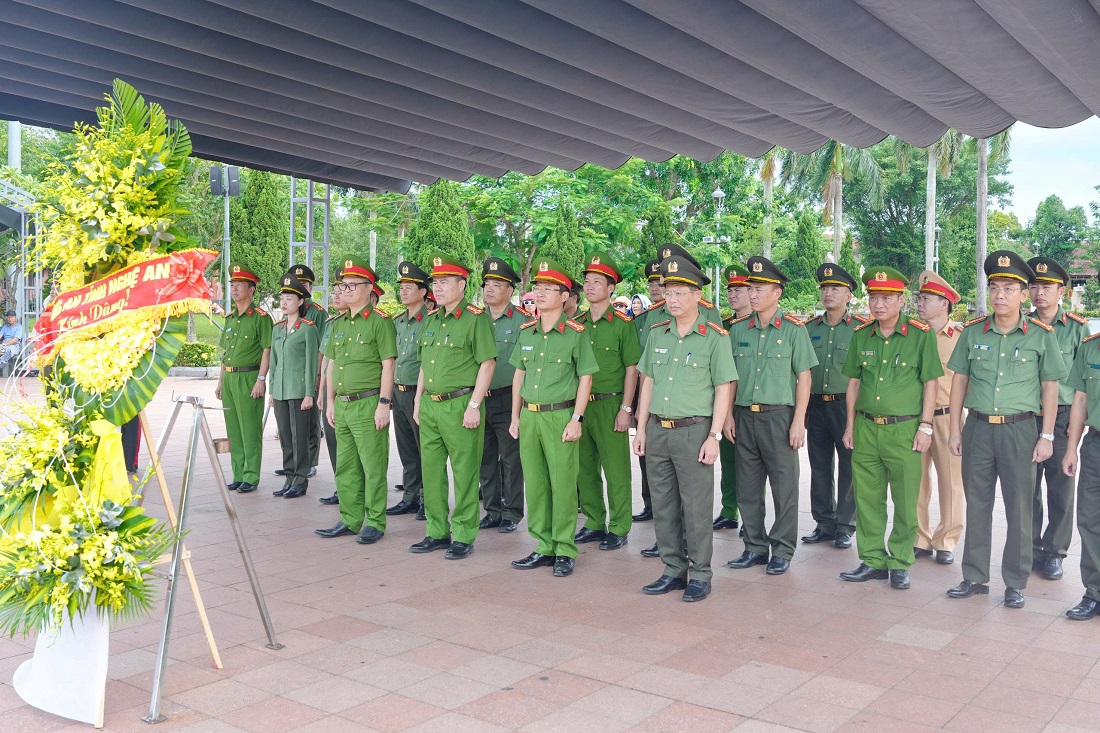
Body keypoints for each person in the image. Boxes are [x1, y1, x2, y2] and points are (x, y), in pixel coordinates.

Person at [946, 251, 1066, 609]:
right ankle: (974, 576)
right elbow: (959, 382)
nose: (1000, 295)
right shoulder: (972, 333)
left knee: (1019, 509)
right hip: (979, 429)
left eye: (1009, 288)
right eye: (994, 287)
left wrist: (1046, 437)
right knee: (977, 504)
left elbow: (1050, 389)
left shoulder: (1041, 336)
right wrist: (955, 429)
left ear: (1023, 293)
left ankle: (1015, 582)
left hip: (1020, 431)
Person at [634, 255, 737, 602]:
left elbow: (724, 387)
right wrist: (642, 427)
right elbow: (646, 381)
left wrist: (714, 435)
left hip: (694, 432)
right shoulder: (656, 333)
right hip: (657, 429)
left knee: (695, 507)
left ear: (697, 296)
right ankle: (672, 569)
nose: (672, 299)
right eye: (668, 292)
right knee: (663, 505)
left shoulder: (714, 337)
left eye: (680, 292)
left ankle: (701, 574)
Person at [839, 267, 941, 590]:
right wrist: (850, 425)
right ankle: (871, 559)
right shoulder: (861, 336)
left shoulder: (920, 336)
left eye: (886, 298)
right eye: (873, 297)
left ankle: (899, 561)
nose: (878, 304)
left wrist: (926, 426)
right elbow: (853, 384)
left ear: (901, 300)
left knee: (906, 498)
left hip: (905, 430)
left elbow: (931, 384)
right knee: (867, 498)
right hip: (867, 427)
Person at [725, 256, 816, 576]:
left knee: (784, 487)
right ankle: (754, 547)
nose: (752, 292)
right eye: (751, 287)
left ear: (777, 292)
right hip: (743, 417)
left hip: (779, 417)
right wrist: (727, 416)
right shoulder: (737, 331)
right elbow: (731, 378)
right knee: (747, 488)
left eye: (759, 287)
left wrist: (798, 421)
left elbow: (804, 378)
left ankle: (782, 549)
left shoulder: (793, 330)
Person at [509, 256, 598, 578]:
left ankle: (564, 548)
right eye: (538, 287)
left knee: (562, 485)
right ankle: (543, 545)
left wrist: (577, 418)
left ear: (565, 296)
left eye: (550, 288)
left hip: (560, 417)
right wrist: (515, 415)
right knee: (535, 483)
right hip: (530, 416)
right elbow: (519, 374)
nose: (542, 293)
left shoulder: (576, 333)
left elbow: (586, 377)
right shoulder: (527, 332)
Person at [411, 252, 497, 560]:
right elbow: (424, 364)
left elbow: (487, 363)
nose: (438, 287)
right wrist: (419, 400)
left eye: (445, 282)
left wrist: (474, 404)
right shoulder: (431, 319)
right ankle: (436, 531)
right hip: (431, 405)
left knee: (464, 472)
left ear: (462, 285)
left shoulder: (475, 318)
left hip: (461, 404)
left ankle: (462, 534)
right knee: (431, 471)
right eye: (435, 281)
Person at [315, 257, 397, 544]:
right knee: (346, 464)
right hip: (343, 404)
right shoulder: (337, 324)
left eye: (353, 285)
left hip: (368, 402)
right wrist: (330, 401)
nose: (346, 290)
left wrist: (384, 404)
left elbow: (389, 365)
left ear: (369, 288)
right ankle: (349, 518)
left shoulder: (380, 322)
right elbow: (331, 364)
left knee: (373, 465)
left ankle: (375, 520)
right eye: (343, 285)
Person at [1028, 256, 1088, 581]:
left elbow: (1084, 384)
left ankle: (1055, 552)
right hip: (1026, 418)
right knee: (1027, 489)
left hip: (1064, 419)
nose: (1039, 293)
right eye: (1034, 286)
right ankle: (1032, 548)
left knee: (1061, 489)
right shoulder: (1022, 326)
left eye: (1047, 286)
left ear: (1061, 291)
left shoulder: (1077, 329)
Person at [576, 252, 641, 551]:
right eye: (587, 282)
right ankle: (593, 521)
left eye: (597, 282)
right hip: (580, 406)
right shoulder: (576, 324)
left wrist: (626, 408)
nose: (589, 287)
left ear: (611, 288)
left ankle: (619, 525)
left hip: (610, 404)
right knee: (584, 468)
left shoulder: (623, 324)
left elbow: (632, 369)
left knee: (616, 471)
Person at [803, 264, 868, 549]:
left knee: (849, 466)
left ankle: (845, 525)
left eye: (836, 289)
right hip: (815, 405)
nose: (828, 294)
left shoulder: (860, 330)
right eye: (825, 289)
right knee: (819, 466)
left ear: (849, 295)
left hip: (847, 407)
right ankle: (824, 522)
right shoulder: (808, 329)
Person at [914, 270, 965, 564]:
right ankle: (920, 537)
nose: (920, 303)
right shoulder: (912, 336)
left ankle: (946, 540)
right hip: (916, 418)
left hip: (948, 418)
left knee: (951, 482)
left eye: (926, 298)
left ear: (944, 303)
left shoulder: (959, 337)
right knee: (917, 481)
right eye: (919, 298)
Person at [479, 257, 528, 534]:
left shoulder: (522, 321)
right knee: (485, 458)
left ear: (509, 291)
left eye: (496, 285)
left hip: (509, 399)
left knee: (511, 459)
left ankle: (512, 511)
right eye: (487, 284)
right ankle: (492, 510)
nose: (489, 289)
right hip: (479, 399)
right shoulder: (476, 319)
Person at [215, 264, 272, 494]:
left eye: (239, 285)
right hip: (229, 380)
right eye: (232, 284)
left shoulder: (260, 318)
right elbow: (224, 354)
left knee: (250, 429)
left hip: (249, 377)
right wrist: (220, 382)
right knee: (234, 429)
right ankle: (238, 474)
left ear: (251, 289)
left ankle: (250, 475)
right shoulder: (229, 318)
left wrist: (261, 379)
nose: (234, 289)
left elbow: (267, 351)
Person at [1059, 330, 1100, 620]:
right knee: (1090, 520)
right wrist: (1071, 448)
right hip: (1096, 444)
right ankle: (1094, 593)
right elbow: (1081, 399)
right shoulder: (1090, 347)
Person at [386, 261, 431, 518]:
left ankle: (428, 498)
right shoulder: (398, 321)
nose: (402, 291)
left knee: (425, 448)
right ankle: (410, 496)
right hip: (399, 391)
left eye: (408, 286)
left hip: (419, 392)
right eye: (401, 286)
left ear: (423, 291)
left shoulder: (430, 321)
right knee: (406, 448)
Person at [269, 275, 319, 499]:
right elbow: (274, 362)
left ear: (300, 302)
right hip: (280, 391)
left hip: (299, 391)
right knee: (286, 438)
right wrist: (271, 390)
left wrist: (310, 393)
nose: (285, 302)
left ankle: (300, 480)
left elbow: (311, 364)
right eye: (283, 298)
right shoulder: (277, 328)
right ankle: (289, 477)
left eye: (290, 298)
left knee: (300, 438)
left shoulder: (308, 328)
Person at [715, 263, 752, 532]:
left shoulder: (758, 325)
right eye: (730, 290)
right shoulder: (723, 327)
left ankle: (750, 516)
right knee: (728, 461)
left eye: (738, 289)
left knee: (752, 465)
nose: (732, 294)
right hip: (727, 403)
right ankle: (729, 510)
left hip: (751, 403)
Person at [283, 264, 328, 479]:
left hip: (311, 373)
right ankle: (294, 463)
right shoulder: (286, 312)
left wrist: (318, 376)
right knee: (291, 423)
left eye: (305, 284)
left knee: (310, 421)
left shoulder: (317, 313)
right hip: (291, 378)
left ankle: (310, 461)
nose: (301, 286)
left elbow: (320, 347)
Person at [318, 275, 348, 506]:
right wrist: (321, 392)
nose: (336, 296)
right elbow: (326, 361)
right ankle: (342, 487)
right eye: (334, 292)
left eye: (342, 291)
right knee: (333, 441)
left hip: (354, 392)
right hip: (332, 392)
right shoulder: (331, 324)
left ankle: (356, 489)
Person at [0, 309, 23, 373]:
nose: (10, 319)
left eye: (12, 317)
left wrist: (4, 344)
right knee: (3, 350)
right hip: (4, 345)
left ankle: (1, 362)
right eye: (8, 317)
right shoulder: (5, 327)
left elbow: (16, 340)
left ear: (15, 317)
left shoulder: (19, 327)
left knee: (9, 350)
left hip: (14, 345)